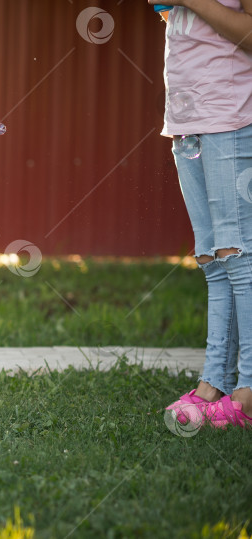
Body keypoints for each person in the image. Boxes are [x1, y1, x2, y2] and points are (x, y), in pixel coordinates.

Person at [151, 0, 252, 428]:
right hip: (187, 120)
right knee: (212, 257)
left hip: (230, 118)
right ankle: (214, 382)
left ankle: (248, 390)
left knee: (238, 255)